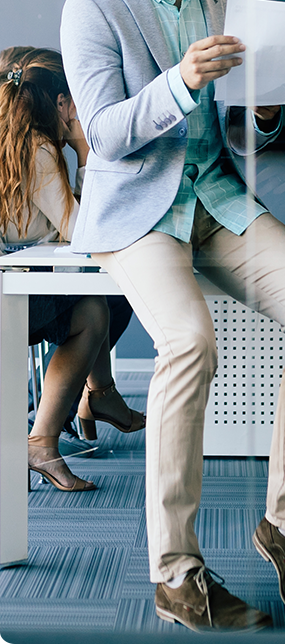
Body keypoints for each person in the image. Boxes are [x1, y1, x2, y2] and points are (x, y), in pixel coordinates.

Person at [60, 0, 285, 634]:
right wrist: (183, 80)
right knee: (190, 340)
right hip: (138, 215)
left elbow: (254, 122)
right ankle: (175, 570)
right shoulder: (93, 7)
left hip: (217, 201)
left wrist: (267, 110)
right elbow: (109, 136)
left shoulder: (226, 5)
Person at [0, 47, 143, 492]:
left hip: (14, 281)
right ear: (61, 103)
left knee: (100, 298)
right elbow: (83, 232)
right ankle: (69, 418)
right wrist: (85, 152)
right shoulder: (38, 149)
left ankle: (96, 399)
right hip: (11, 295)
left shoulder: (14, 143)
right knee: (99, 308)